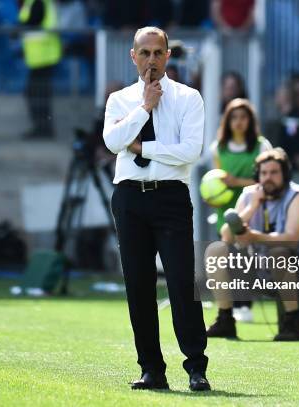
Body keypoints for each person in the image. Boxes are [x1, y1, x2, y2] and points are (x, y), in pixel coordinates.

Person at [103, 26, 210, 391]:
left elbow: (189, 152)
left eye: (158, 53)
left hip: (170, 197)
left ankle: (196, 366)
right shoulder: (119, 99)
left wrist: (142, 148)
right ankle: (152, 368)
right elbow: (113, 140)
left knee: (181, 281)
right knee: (139, 285)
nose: (151, 60)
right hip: (130, 197)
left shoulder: (188, 97)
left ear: (168, 55)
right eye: (144, 53)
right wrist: (143, 108)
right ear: (133, 56)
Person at [205, 148, 299, 341]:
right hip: (261, 267)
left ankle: (291, 323)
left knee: (279, 253)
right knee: (216, 250)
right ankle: (225, 320)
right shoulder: (249, 195)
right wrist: (252, 207)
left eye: (274, 172)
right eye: (264, 173)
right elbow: (227, 235)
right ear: (257, 176)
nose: (268, 177)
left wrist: (253, 237)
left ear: (285, 174)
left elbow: (292, 239)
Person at [210, 98, 272, 324]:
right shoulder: (218, 148)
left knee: (247, 261)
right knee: (227, 261)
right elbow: (216, 182)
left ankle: (245, 305)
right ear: (227, 121)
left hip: (251, 210)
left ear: (250, 120)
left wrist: (236, 182)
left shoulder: (261, 146)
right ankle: (230, 308)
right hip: (225, 212)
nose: (238, 122)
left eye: (243, 117)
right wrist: (212, 198)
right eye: (234, 117)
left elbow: (266, 181)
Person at [19, 0, 62, 139]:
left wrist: (17, 28)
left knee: (37, 94)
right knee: (36, 94)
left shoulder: (38, 2)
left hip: (44, 57)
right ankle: (42, 128)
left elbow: (33, 21)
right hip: (40, 58)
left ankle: (43, 129)